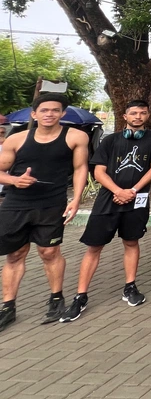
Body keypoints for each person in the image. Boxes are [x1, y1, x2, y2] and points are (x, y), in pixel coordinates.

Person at [60, 100, 151, 322]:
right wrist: (118, 190)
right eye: (133, 113)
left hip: (137, 200)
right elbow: (98, 172)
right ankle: (80, 295)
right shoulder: (110, 140)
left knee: (132, 242)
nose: (138, 116)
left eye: (142, 113)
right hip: (108, 200)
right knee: (94, 246)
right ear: (125, 116)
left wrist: (133, 191)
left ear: (148, 115)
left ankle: (130, 286)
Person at [0, 93, 89, 330]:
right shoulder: (16, 140)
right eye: (44, 110)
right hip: (16, 203)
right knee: (15, 254)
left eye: (55, 110)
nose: (49, 114)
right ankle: (8, 307)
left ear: (62, 113)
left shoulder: (75, 137)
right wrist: (14, 180)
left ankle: (56, 298)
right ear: (34, 114)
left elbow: (81, 169)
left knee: (49, 252)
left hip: (52, 203)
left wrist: (76, 199)